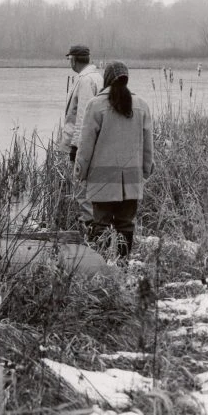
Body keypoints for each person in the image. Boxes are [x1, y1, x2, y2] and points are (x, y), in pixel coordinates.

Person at [74, 61, 154, 261]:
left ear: (107, 79)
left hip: (102, 180)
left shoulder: (95, 105)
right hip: (131, 180)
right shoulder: (142, 105)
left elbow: (85, 145)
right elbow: (148, 145)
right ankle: (122, 266)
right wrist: (145, 171)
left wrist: (80, 171)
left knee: (100, 224)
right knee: (126, 225)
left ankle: (100, 267)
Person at [58, 45, 104, 225]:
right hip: (95, 142)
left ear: (73, 59)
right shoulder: (97, 77)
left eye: (69, 59)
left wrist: (76, 146)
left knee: (81, 188)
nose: (69, 62)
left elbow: (84, 116)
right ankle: (98, 226)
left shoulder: (85, 80)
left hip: (84, 145)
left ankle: (90, 228)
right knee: (91, 188)